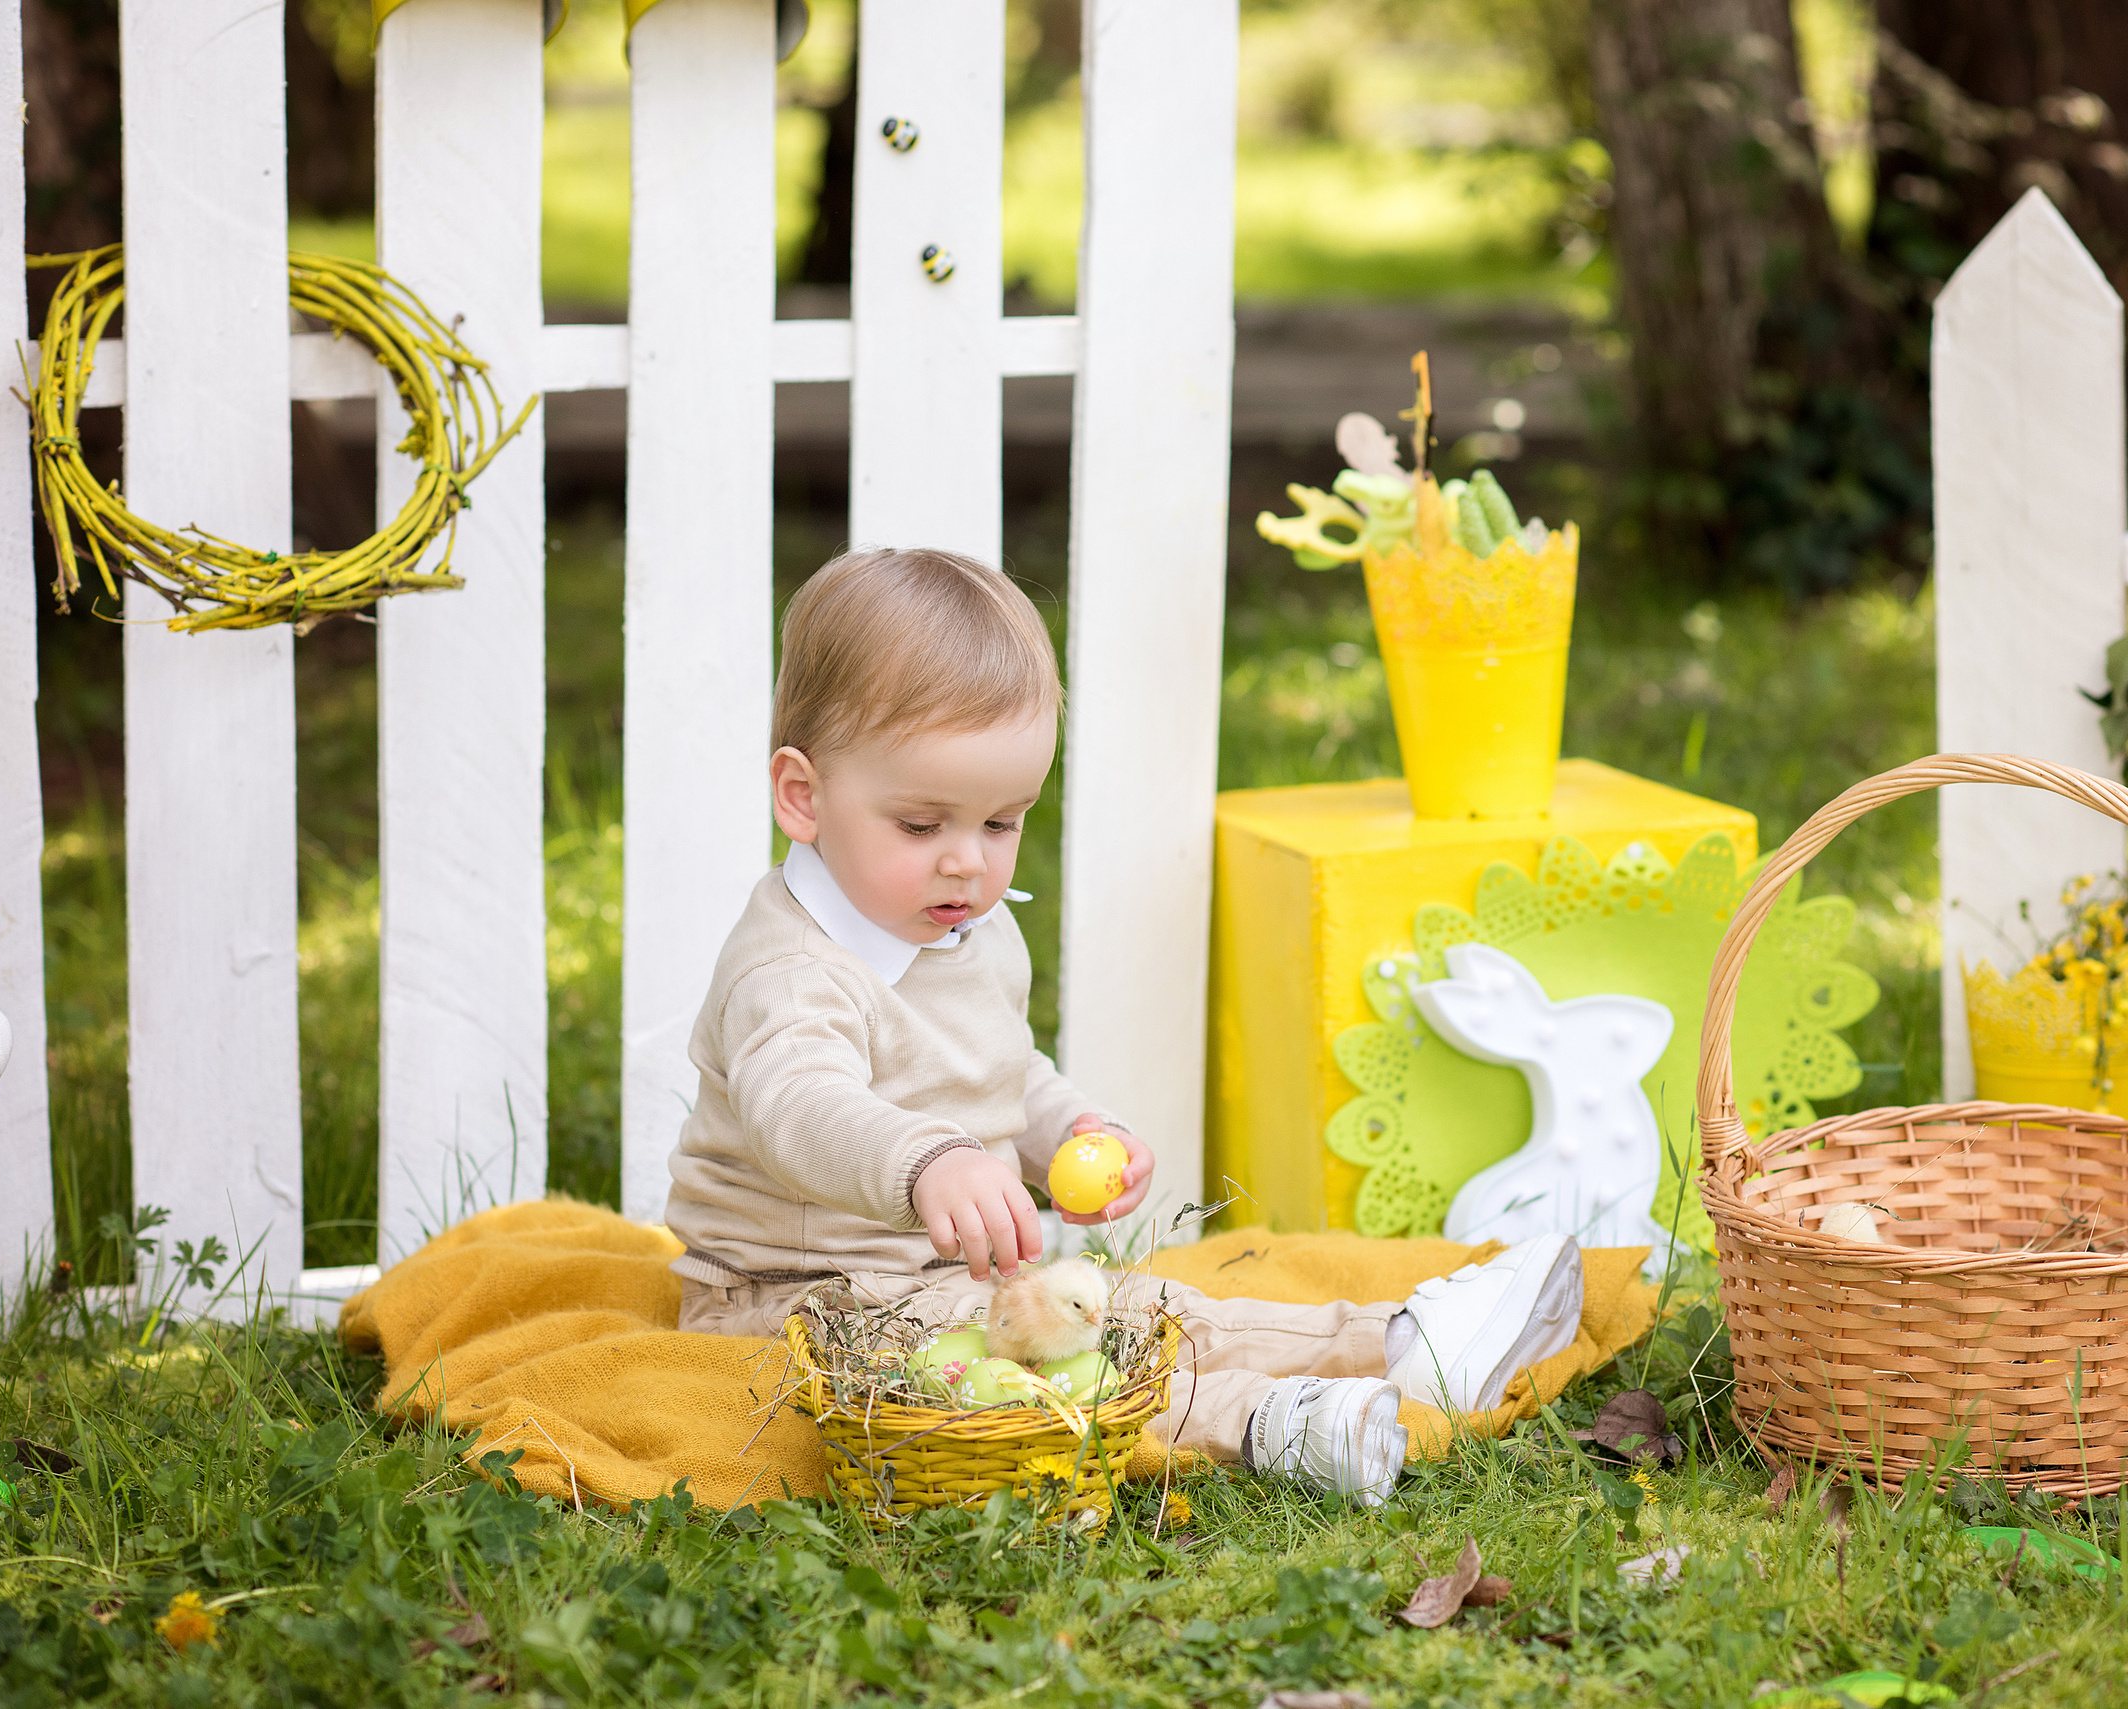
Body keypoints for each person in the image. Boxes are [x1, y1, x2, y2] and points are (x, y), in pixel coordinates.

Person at [665, 545, 1584, 1505]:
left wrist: (1069, 1127)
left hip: (949, 1278)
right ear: (804, 796)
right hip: (800, 1300)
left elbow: (1001, 1068)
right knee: (1039, 1378)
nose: (968, 862)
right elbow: (798, 1107)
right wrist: (929, 1163)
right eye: (922, 825)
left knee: (1149, 1306)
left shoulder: (964, 925)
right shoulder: (791, 972)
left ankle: (1403, 1340)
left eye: (1001, 822)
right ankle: (1272, 1422)